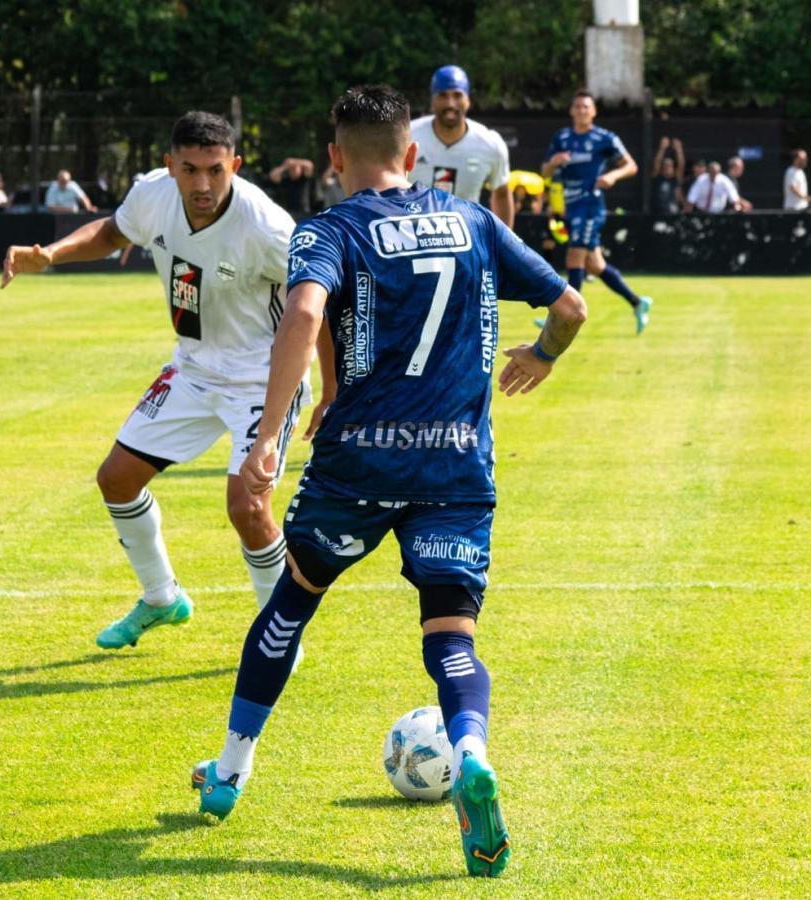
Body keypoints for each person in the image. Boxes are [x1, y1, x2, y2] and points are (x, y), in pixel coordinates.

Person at [189, 84, 587, 879]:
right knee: (451, 632)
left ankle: (231, 769)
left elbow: (305, 316)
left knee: (293, 600)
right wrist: (540, 353)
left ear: (335, 158)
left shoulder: (330, 229)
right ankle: (470, 751)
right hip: (454, 463)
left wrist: (267, 438)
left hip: (357, 464)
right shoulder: (473, 220)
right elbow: (571, 305)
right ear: (413, 155)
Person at [1, 111, 331, 654]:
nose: (202, 184)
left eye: (215, 171)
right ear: (169, 165)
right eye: (190, 169)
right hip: (194, 370)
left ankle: (280, 638)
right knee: (117, 478)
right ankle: (161, 598)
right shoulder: (153, 193)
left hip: (262, 380)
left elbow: (316, 306)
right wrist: (52, 254)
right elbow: (112, 232)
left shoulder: (268, 227)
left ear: (236, 167)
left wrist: (333, 391)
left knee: (248, 509)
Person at [542, 89, 652, 333]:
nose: (581, 110)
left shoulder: (605, 138)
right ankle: (638, 302)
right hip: (569, 206)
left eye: (586, 107)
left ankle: (566, 318)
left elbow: (631, 165)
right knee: (594, 265)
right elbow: (545, 173)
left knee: (574, 257)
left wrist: (612, 175)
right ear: (571, 111)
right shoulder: (561, 138)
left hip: (590, 206)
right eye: (578, 106)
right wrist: (552, 163)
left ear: (593, 112)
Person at [407, 65, 514, 227]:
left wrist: (504, 245)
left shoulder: (491, 144)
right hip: (411, 240)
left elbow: (501, 193)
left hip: (467, 242)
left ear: (468, 100)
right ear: (432, 101)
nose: (450, 103)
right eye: (443, 95)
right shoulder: (407, 135)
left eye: (457, 95)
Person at [651, 136, 685, 214]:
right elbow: (656, 162)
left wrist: (679, 150)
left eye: (670, 166)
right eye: (665, 166)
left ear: (673, 168)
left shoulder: (675, 179)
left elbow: (681, 165)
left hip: (673, 212)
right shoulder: (657, 178)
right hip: (657, 212)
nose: (667, 168)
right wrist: (662, 148)